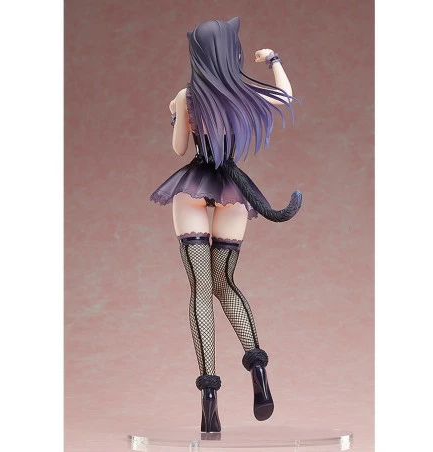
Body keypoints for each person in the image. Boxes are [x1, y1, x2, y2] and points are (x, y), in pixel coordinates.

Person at [150, 17, 302, 433]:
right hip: (234, 190)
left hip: (194, 187)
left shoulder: (187, 95)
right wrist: (273, 60)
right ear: (230, 53)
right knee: (226, 283)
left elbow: (180, 148)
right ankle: (258, 367)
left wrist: (178, 113)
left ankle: (209, 399)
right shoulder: (244, 93)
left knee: (201, 288)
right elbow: (285, 96)